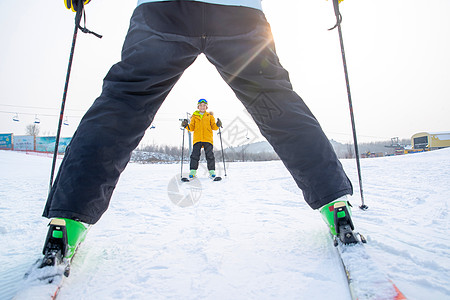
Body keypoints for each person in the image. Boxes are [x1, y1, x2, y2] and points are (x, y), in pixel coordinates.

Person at [42, 0, 355, 264]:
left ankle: (67, 221)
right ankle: (334, 203)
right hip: (238, 14)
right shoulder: (195, 115)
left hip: (162, 13)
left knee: (124, 101)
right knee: (275, 99)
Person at [181, 98, 222, 179]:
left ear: (206, 107)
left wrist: (218, 124)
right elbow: (191, 128)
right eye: (200, 106)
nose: (202, 107)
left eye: (204, 106)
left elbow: (214, 127)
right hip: (197, 139)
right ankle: (193, 171)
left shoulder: (210, 116)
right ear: (198, 107)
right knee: (195, 155)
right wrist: (186, 125)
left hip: (208, 139)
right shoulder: (194, 117)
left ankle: (211, 171)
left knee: (209, 155)